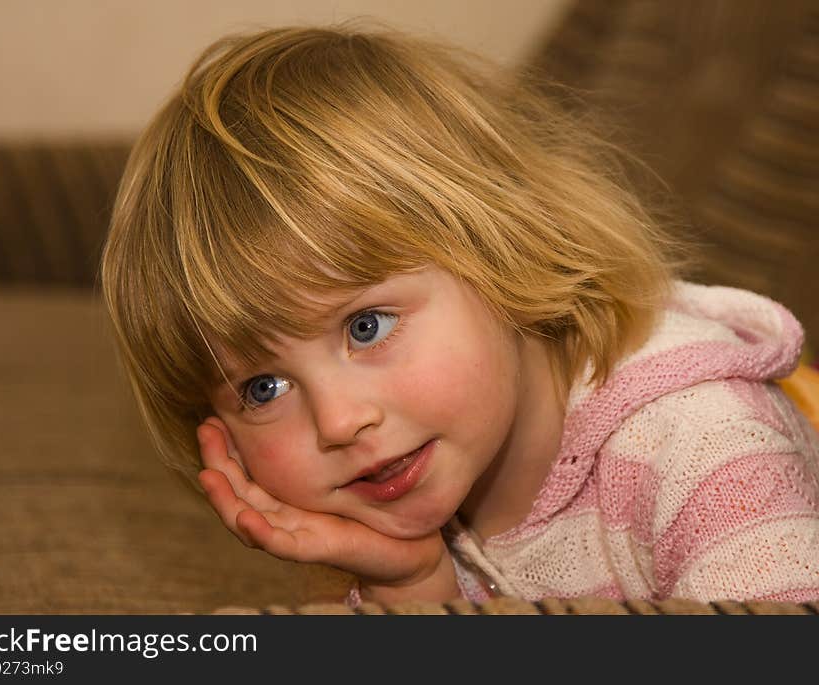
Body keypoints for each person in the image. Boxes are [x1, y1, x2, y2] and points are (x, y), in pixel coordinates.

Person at [100, 23, 819, 606]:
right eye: (263, 388)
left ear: (499, 246)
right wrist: (411, 583)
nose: (338, 422)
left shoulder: (707, 443)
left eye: (366, 326)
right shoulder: (375, 505)